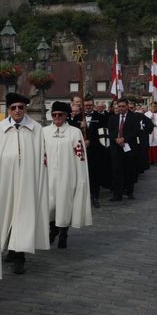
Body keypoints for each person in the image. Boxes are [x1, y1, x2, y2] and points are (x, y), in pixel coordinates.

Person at [0, 92, 49, 274]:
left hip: (27, 178)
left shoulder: (35, 128)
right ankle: (7, 246)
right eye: (13, 108)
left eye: (21, 107)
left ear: (26, 108)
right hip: (5, 179)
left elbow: (40, 155)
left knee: (23, 215)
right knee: (4, 213)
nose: (17, 111)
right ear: (8, 109)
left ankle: (19, 255)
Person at [44, 102, 92, 250]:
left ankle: (63, 233)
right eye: (54, 115)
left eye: (60, 115)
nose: (57, 117)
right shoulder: (43, 132)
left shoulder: (74, 132)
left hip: (67, 175)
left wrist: (80, 176)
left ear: (66, 116)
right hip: (48, 176)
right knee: (49, 206)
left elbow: (80, 157)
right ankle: (53, 230)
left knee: (64, 206)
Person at [108, 98, 141, 198]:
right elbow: (109, 131)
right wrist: (116, 139)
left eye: (123, 106)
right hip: (116, 148)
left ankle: (129, 192)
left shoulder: (134, 117)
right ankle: (117, 194)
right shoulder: (113, 118)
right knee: (117, 171)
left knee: (129, 170)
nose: (121, 108)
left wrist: (124, 139)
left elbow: (136, 131)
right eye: (119, 106)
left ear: (127, 106)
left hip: (129, 147)